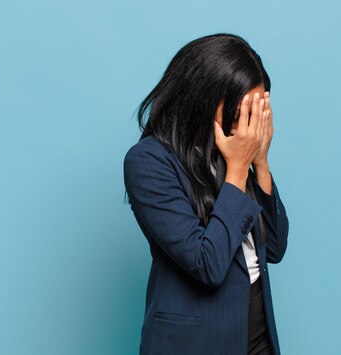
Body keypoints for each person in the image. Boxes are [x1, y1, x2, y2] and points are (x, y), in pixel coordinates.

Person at [123, 33, 289, 355]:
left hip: (256, 331)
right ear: (205, 97)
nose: (248, 126)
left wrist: (261, 163)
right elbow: (207, 263)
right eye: (244, 111)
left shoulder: (228, 154)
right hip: (196, 342)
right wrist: (239, 169)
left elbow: (276, 248)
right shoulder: (148, 162)